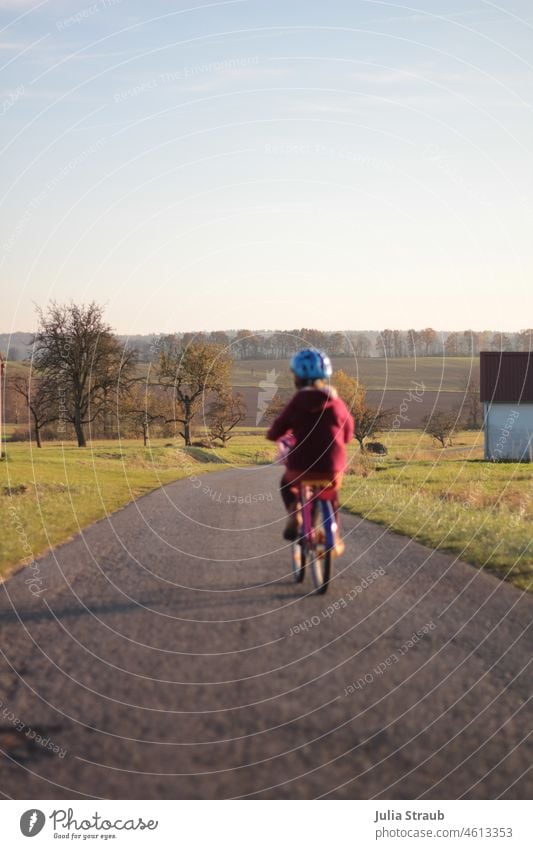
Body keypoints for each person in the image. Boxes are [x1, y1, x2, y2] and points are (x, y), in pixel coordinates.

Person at [266, 348, 354, 544]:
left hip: (300, 468)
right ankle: (334, 537)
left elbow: (278, 428)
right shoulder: (336, 402)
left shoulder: (298, 402)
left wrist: (273, 435)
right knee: (331, 496)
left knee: (286, 484)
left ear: (297, 376)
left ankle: (294, 514)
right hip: (332, 469)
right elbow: (348, 431)